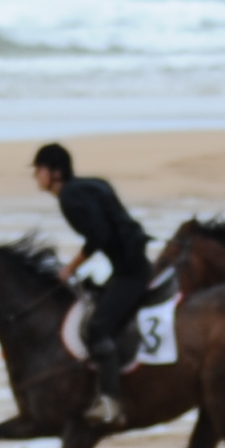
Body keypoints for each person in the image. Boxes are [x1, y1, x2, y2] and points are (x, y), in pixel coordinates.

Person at [31, 142, 153, 390]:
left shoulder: (69, 196)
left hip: (131, 272)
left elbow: (100, 236)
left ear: (56, 172)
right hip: (127, 266)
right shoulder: (87, 185)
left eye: (39, 169)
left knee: (97, 329)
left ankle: (111, 398)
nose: (35, 175)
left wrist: (70, 268)